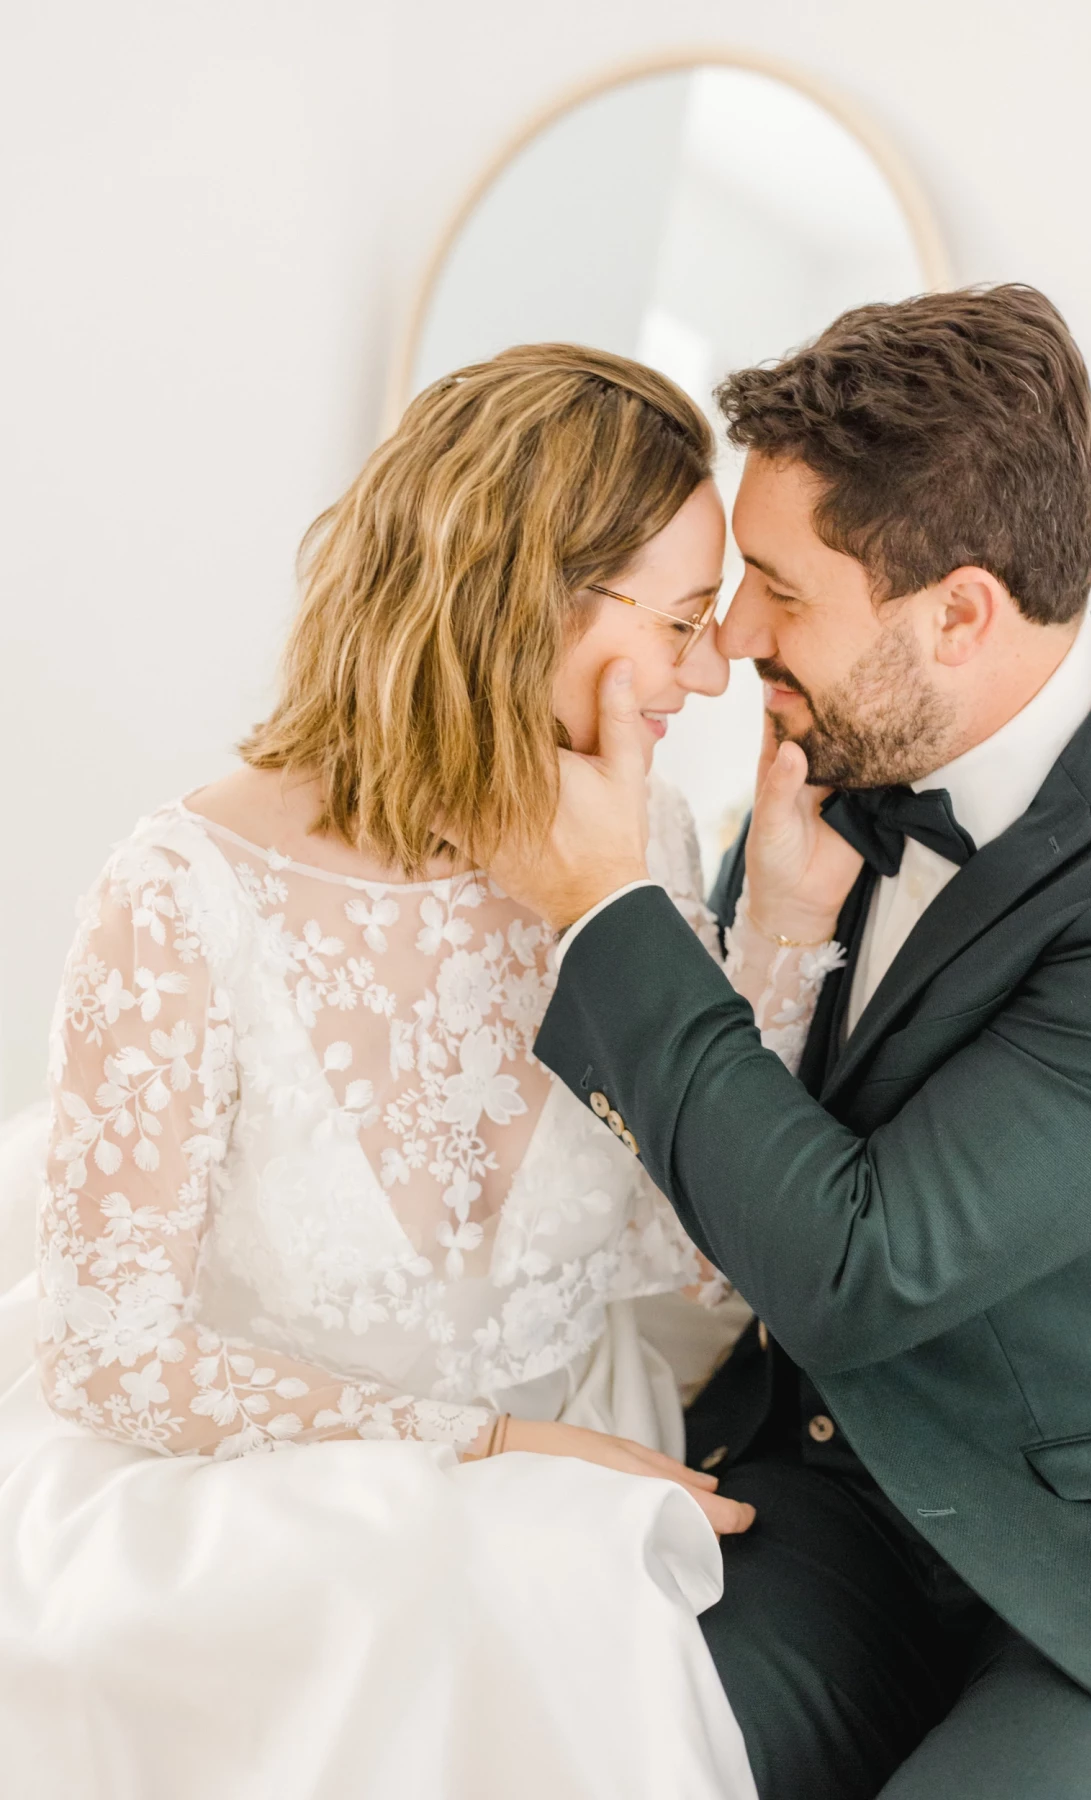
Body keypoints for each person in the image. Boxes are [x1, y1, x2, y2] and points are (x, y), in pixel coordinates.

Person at [0, 345, 847, 1799]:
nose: (712, 673)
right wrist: (498, 1448)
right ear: (533, 598)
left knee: (521, 1590)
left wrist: (779, 926)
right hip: (247, 1502)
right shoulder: (181, 894)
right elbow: (112, 1352)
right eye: (683, 620)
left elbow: (698, 1269)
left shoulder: (641, 854)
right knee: (435, 1585)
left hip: (569, 1481)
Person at [484, 287, 1091, 1799]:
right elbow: (726, 1171)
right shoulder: (826, 775)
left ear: (960, 611)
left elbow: (869, 1261)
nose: (732, 638)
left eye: (778, 590)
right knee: (590, 1750)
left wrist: (610, 910)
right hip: (816, 1505)